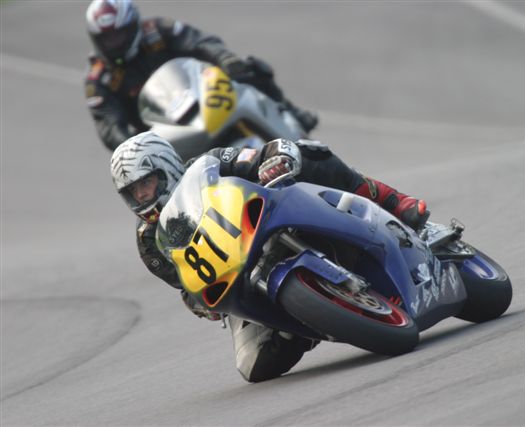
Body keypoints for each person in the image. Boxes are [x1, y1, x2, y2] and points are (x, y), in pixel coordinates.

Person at [110, 131, 428, 382]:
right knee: (254, 367)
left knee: (311, 152)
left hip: (272, 220)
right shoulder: (149, 243)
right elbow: (185, 284)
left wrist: (278, 158)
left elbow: (261, 153)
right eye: (133, 192)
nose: (142, 195)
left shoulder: (205, 165)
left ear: (166, 166)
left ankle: (393, 201)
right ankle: (302, 323)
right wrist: (199, 302)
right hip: (238, 278)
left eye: (146, 183)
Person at [85, 0, 317, 151]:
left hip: (200, 99)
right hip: (161, 137)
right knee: (142, 180)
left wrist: (227, 59)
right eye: (107, 39)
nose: (114, 44)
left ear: (133, 25)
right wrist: (133, 144)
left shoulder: (159, 30)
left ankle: (291, 115)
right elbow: (109, 128)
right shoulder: (98, 81)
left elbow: (201, 43)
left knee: (251, 67)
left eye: (118, 35)